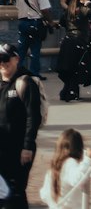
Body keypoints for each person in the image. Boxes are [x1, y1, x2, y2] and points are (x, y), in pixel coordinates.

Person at [0, 41, 43, 209]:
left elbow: (34, 117)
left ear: (16, 59)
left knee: (16, 190)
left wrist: (27, 146)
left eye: (5, 59)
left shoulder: (25, 82)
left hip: (18, 148)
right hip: (1, 147)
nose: (2, 64)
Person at [39, 129, 91, 209]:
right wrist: (88, 159)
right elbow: (78, 179)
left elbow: (44, 194)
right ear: (79, 148)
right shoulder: (70, 162)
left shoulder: (55, 165)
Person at [15, 0, 53, 77]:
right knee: (35, 49)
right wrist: (50, 21)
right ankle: (34, 73)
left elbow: (18, 6)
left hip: (22, 22)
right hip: (35, 23)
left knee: (21, 49)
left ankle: (18, 72)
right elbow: (45, 10)